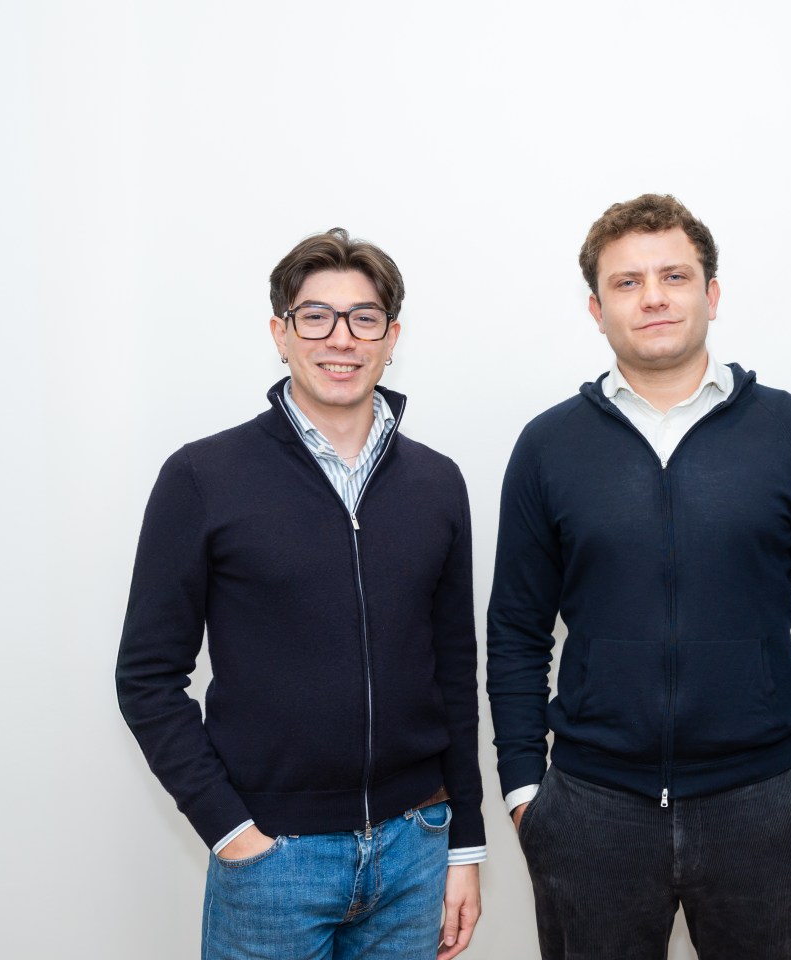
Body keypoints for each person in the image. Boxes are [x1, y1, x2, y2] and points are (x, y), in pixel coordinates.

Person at [486, 193, 791, 960]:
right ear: (597, 308)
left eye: (675, 275)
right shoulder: (548, 446)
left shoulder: (789, 433)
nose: (655, 296)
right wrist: (523, 792)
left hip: (764, 805)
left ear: (713, 293)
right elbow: (515, 630)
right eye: (628, 282)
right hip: (591, 808)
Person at [116, 228, 483, 960]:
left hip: (415, 851)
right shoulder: (203, 477)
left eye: (364, 318)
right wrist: (233, 832)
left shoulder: (438, 483)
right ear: (280, 333)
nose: (340, 338)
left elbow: (454, 672)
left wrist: (465, 845)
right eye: (316, 316)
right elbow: (147, 677)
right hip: (274, 859)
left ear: (391, 336)